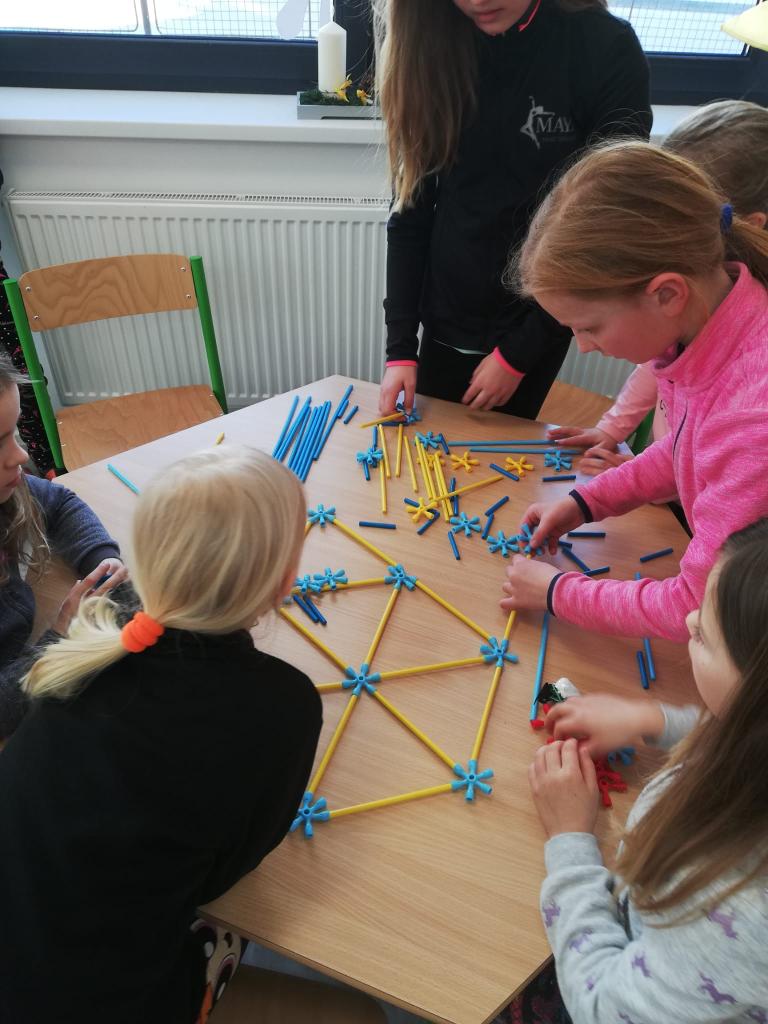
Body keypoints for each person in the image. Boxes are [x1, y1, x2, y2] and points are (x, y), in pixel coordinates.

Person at [0, 446, 323, 1024]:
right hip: (109, 1005)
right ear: (283, 581)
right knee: (238, 932)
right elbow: (223, 876)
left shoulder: (81, 651)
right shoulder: (287, 703)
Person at [498, 518, 768, 1023]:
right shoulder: (750, 740)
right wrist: (652, 720)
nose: (689, 618)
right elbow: (738, 730)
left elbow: (601, 1008)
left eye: (704, 634)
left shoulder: (734, 910)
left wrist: (571, 843)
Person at [499, 140, 768, 642]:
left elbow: (698, 607)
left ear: (667, 293)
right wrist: (584, 503)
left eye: (589, 327)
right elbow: (688, 448)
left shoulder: (752, 417)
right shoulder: (708, 327)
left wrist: (557, 592)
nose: (583, 346)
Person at [374, 0, 651, 419]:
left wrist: (519, 353)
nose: (478, 2)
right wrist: (400, 350)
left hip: (540, 322)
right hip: (448, 313)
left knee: (503, 448)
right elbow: (410, 213)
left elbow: (605, 228)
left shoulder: (605, 47)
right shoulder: (432, 36)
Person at [547, 99, 768, 477]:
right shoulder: (694, 299)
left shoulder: (749, 369)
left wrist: (660, 480)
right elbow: (656, 372)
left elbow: (731, 474)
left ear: (749, 222)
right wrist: (615, 435)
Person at [0, 354, 126, 739]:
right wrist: (59, 640)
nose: (22, 455)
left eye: (14, 432)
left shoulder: (11, 488)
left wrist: (100, 558)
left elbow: (59, 502)